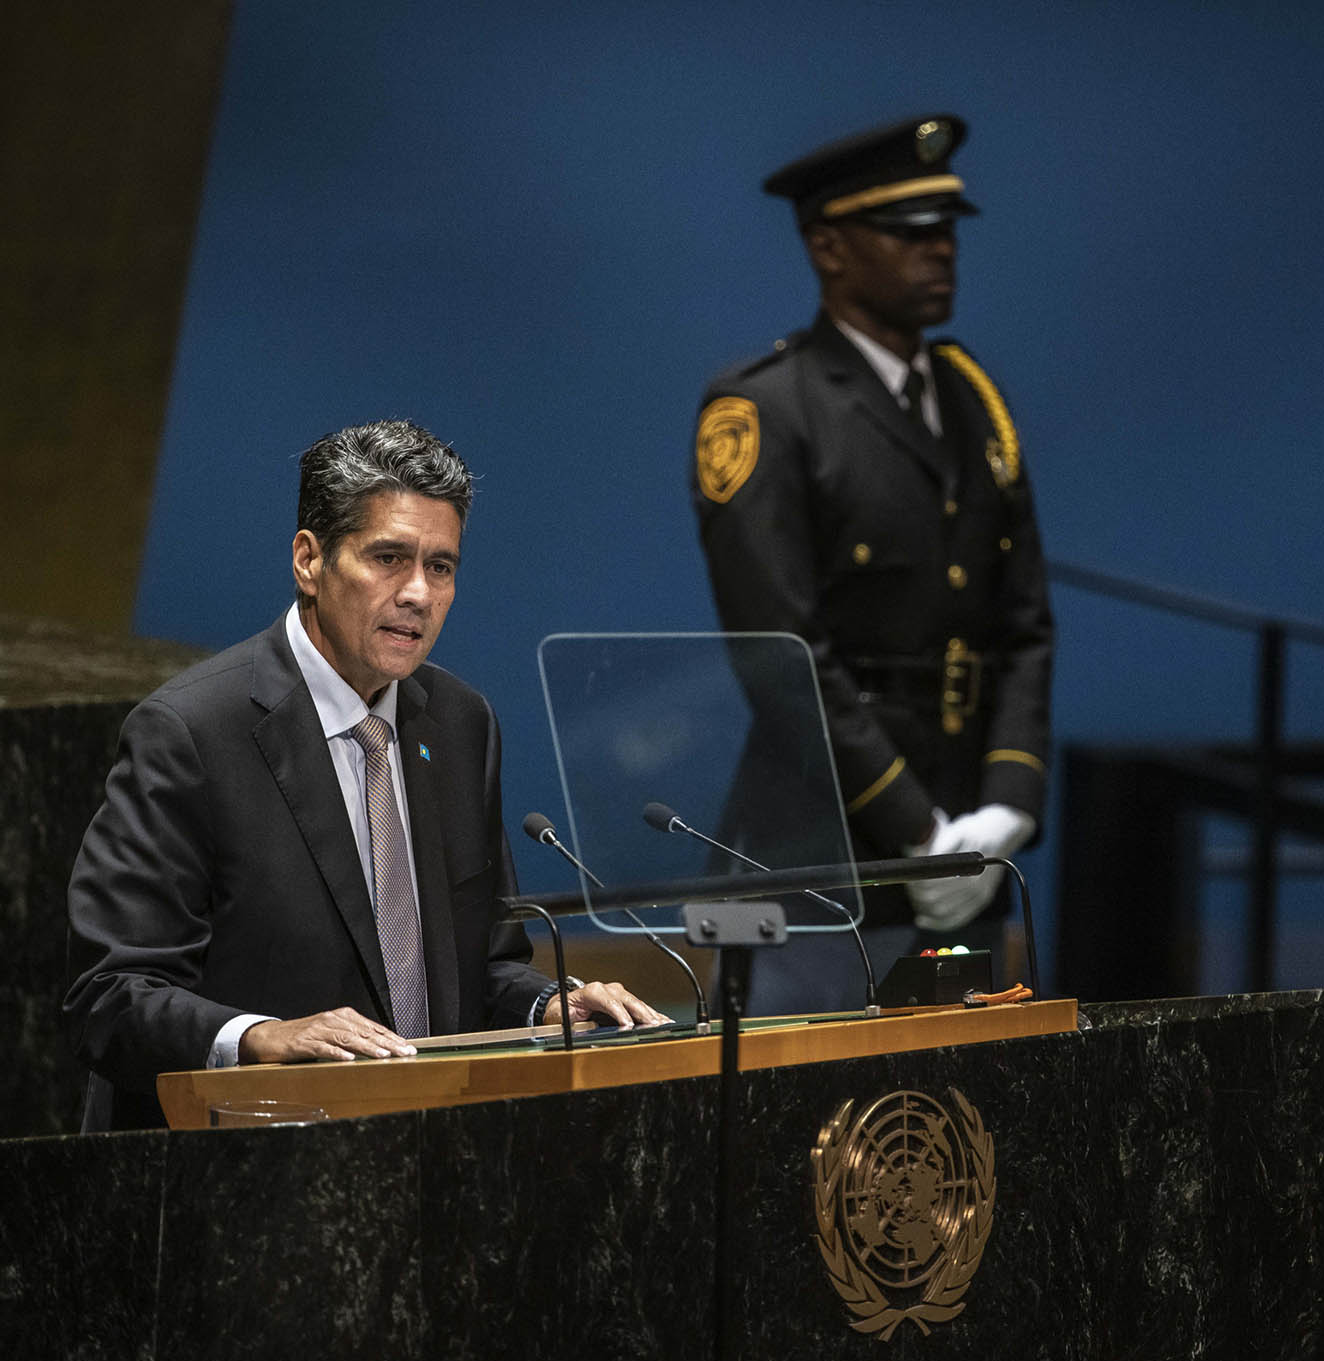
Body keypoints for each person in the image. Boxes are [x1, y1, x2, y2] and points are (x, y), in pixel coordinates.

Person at [66, 418, 666, 1129]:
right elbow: (109, 995)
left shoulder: (460, 721)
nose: (418, 593)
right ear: (309, 561)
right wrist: (261, 1037)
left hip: (426, 1153)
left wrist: (546, 1005)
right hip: (243, 1164)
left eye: (440, 567)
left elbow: (482, 964)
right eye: (389, 558)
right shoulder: (192, 732)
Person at [690, 114, 1053, 1011]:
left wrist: (1006, 807)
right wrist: (916, 832)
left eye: (948, 231)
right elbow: (781, 653)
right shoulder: (768, 410)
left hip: (964, 848)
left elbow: (1024, 625)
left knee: (941, 1137)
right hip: (822, 853)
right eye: (908, 233)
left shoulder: (972, 399)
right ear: (827, 247)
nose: (941, 252)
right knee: (803, 1134)